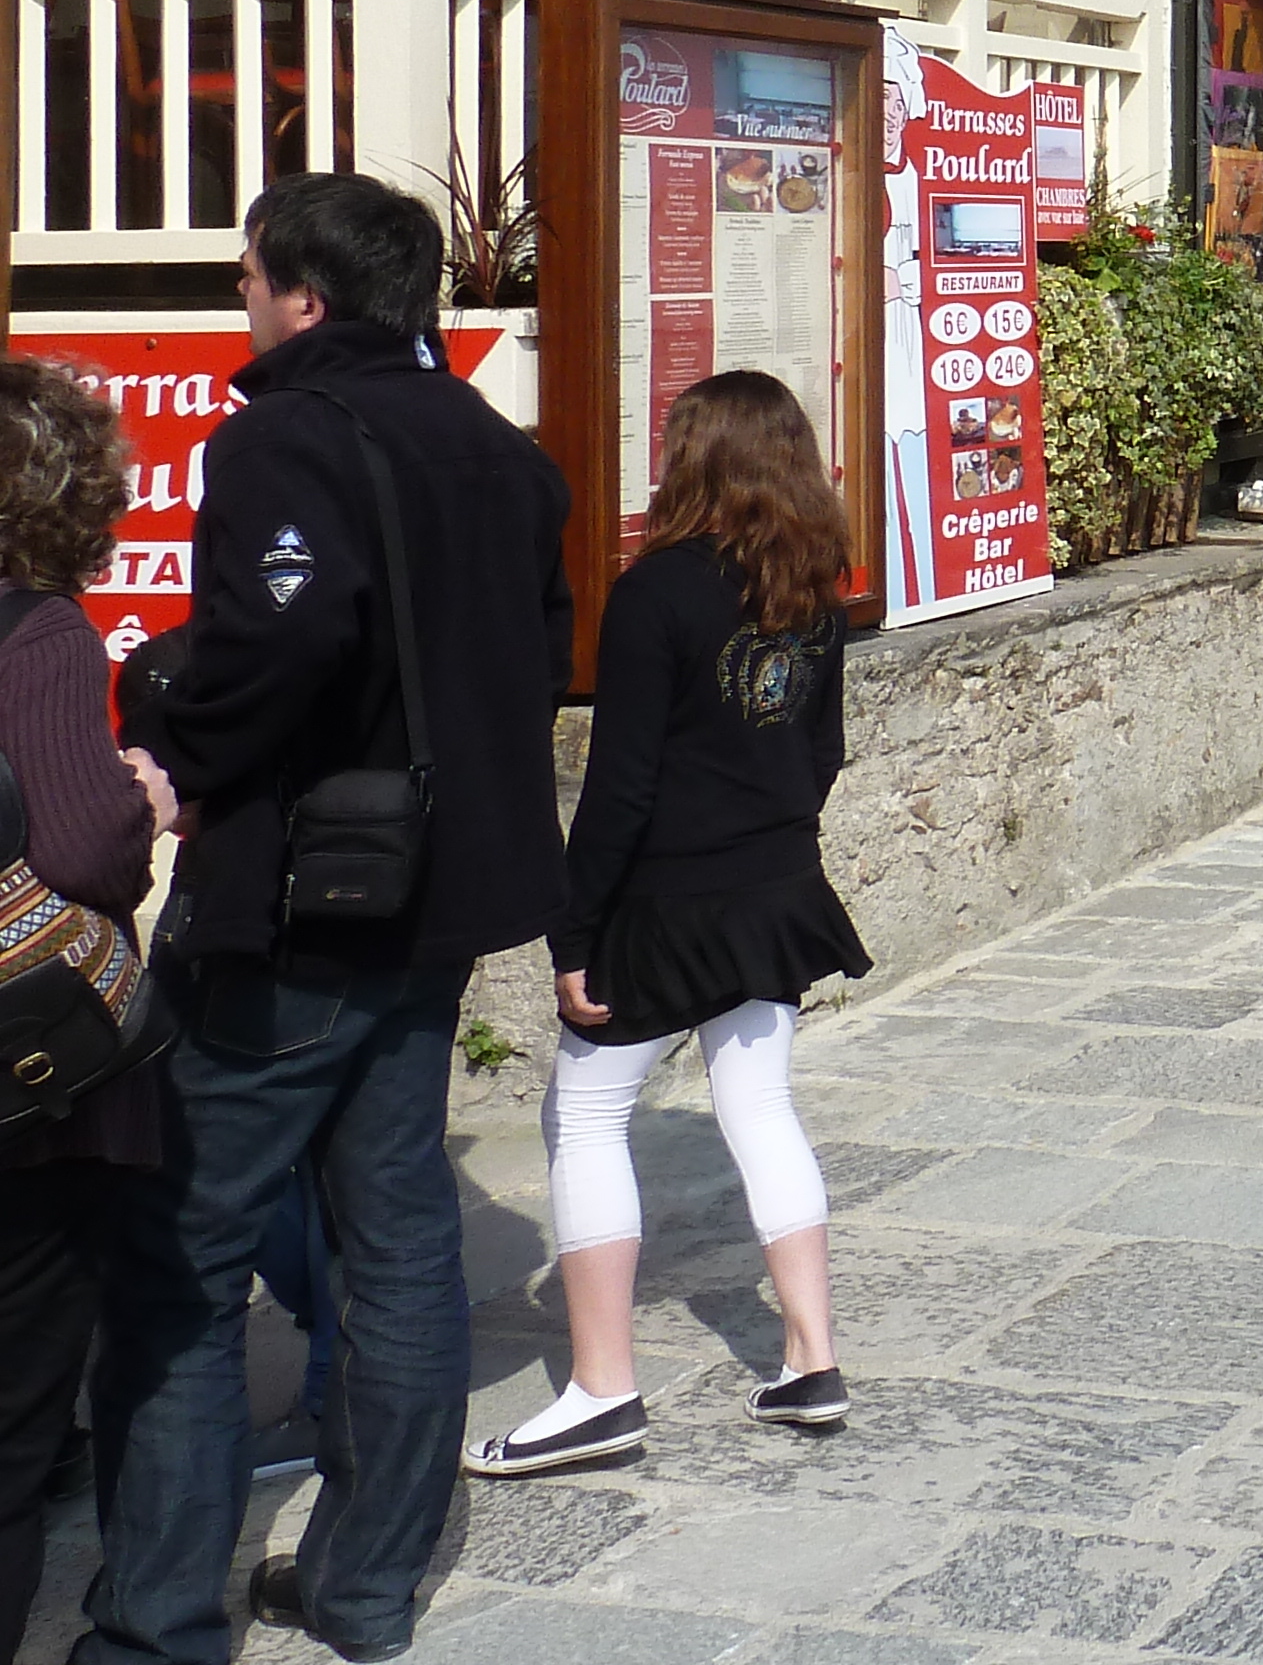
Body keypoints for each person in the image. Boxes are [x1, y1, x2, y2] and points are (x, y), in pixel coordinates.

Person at [83, 171, 575, 1665]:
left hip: (303, 905)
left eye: (244, 281)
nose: (241, 304)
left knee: (180, 1248)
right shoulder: (499, 448)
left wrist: (172, 712)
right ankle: (365, 1588)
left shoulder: (286, 432)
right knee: (400, 1234)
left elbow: (290, 635)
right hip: (441, 897)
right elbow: (534, 657)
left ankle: (158, 1624)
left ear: (301, 293)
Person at [468, 371, 871, 1480]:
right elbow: (822, 749)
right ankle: (811, 1357)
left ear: (695, 460)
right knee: (760, 1104)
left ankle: (602, 1390)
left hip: (666, 900)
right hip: (777, 887)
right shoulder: (812, 585)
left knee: (585, 1114)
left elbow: (620, 787)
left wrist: (574, 932)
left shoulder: (657, 594)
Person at [0, 364, 174, 1654]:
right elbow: (86, 855)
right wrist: (147, 803)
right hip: (23, 1094)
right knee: (12, 1437)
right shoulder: (40, 633)